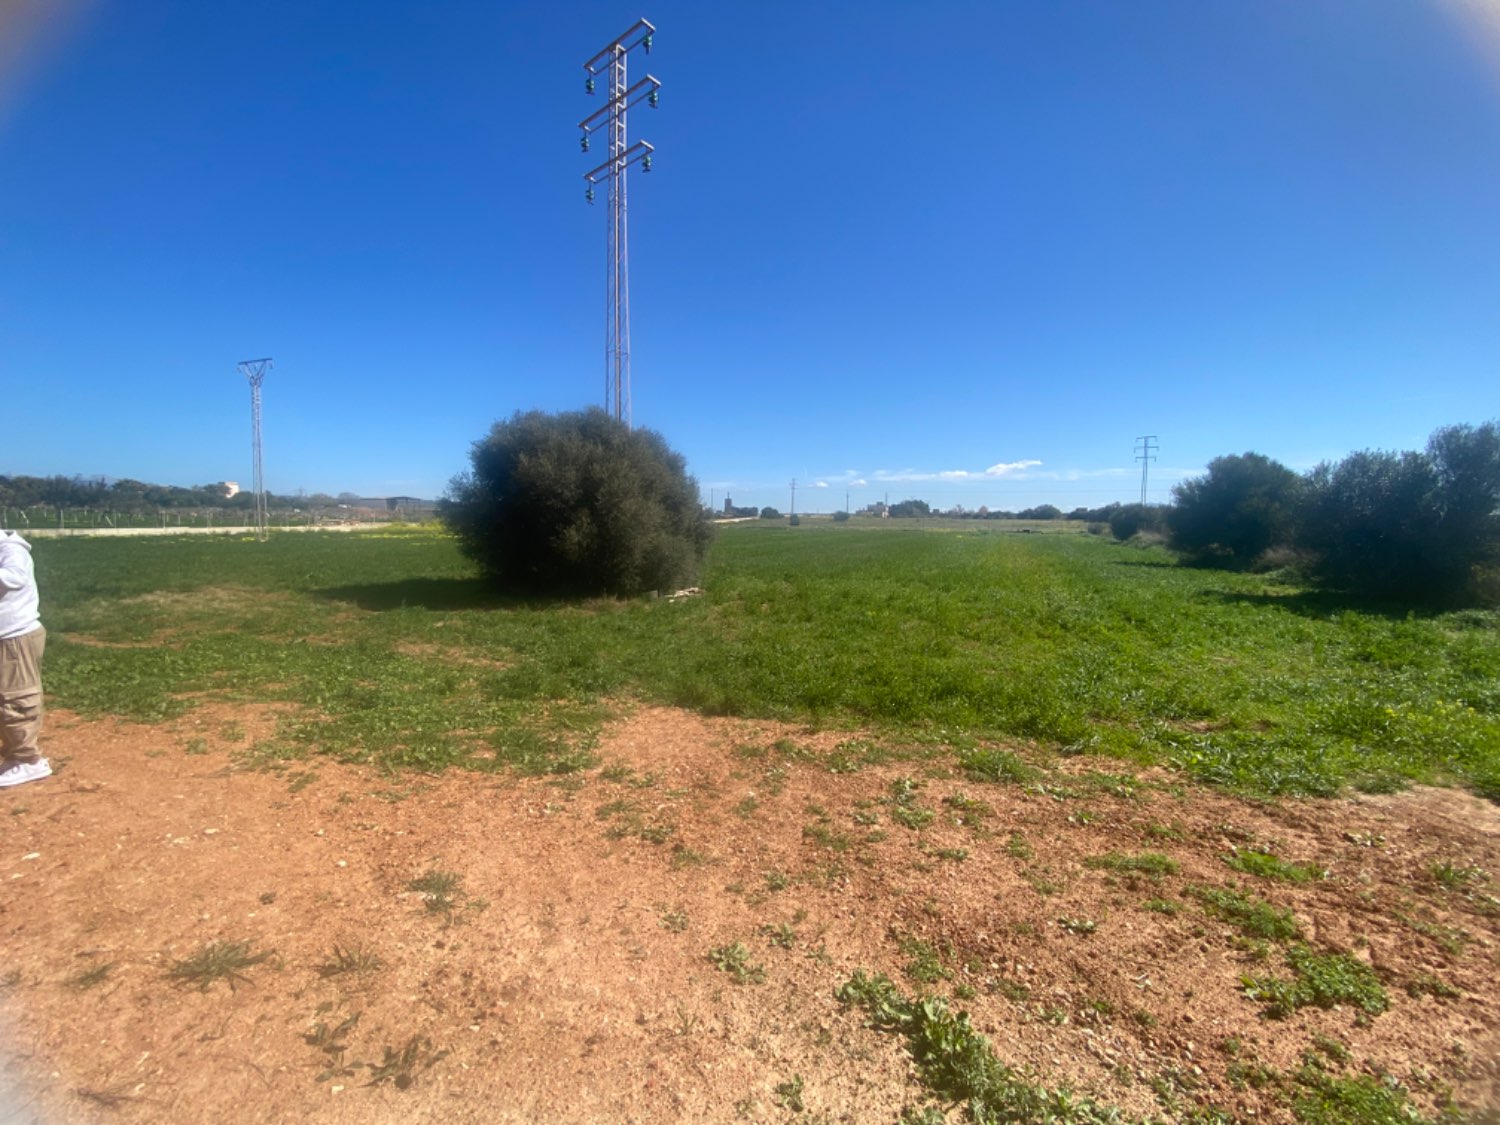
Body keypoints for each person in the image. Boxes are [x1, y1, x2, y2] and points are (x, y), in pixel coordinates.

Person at [0, 529, 50, 788]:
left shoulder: (11, 550)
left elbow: (14, 578)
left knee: (17, 698)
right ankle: (13, 755)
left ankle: (27, 761)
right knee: (4, 698)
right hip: (5, 637)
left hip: (14, 637)